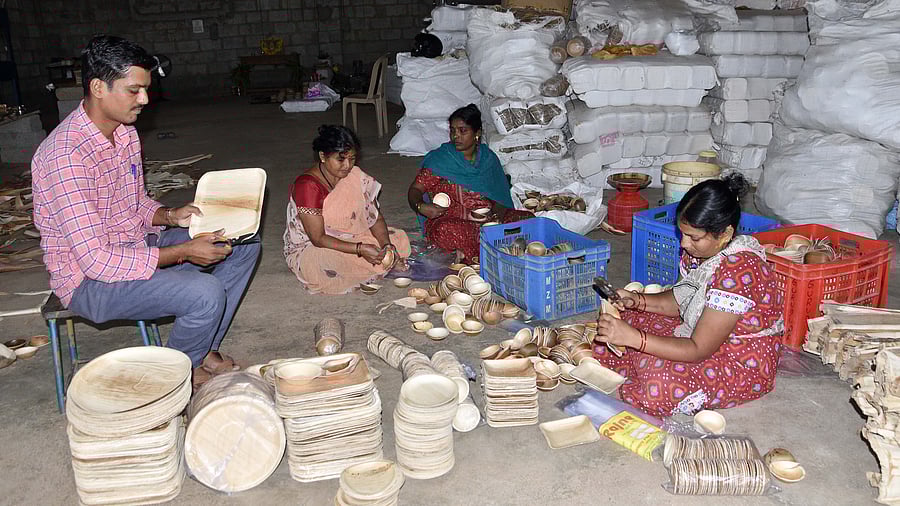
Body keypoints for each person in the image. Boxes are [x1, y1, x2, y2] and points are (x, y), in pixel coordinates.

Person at [31, 36, 260, 389]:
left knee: (244, 243)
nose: (145, 99)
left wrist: (171, 216)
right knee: (204, 292)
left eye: (146, 89)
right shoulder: (65, 157)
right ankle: (177, 376)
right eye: (134, 90)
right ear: (98, 88)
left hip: (134, 245)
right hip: (88, 282)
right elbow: (96, 261)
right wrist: (182, 252)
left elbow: (134, 205)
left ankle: (202, 349)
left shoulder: (124, 134)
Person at [592, 174, 784, 417]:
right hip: (701, 333)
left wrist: (634, 339)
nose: (683, 243)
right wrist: (636, 300)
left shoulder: (738, 271)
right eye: (682, 233)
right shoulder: (702, 254)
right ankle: (638, 357)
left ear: (725, 234)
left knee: (658, 386)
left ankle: (639, 362)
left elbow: (697, 349)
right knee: (627, 318)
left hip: (737, 360)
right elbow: (680, 300)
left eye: (694, 237)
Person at [284, 125, 411, 294]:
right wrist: (359, 249)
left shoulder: (354, 175)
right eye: (341, 159)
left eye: (352, 159)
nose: (347, 165)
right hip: (313, 246)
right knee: (328, 265)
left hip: (349, 234)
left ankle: (381, 260)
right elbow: (318, 238)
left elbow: (375, 218)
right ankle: (377, 264)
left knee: (395, 239)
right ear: (323, 156)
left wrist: (387, 245)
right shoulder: (308, 186)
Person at [407, 104, 532, 263]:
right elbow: (415, 189)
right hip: (453, 221)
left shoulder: (488, 159)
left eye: (462, 131)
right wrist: (420, 206)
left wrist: (496, 218)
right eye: (452, 130)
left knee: (527, 219)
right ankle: (494, 249)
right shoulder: (442, 159)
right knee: (445, 230)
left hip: (486, 221)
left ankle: (482, 247)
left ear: (477, 133)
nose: (455, 136)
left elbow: (499, 195)